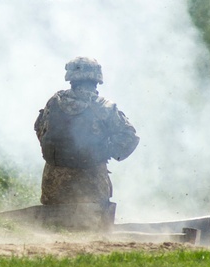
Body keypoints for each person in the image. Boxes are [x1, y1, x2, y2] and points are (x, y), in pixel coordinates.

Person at [34, 57, 139, 225]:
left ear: (71, 78)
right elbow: (129, 137)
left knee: (52, 226)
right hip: (91, 184)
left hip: (54, 184)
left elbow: (40, 129)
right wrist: (105, 152)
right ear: (97, 79)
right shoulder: (105, 108)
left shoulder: (54, 102)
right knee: (94, 229)